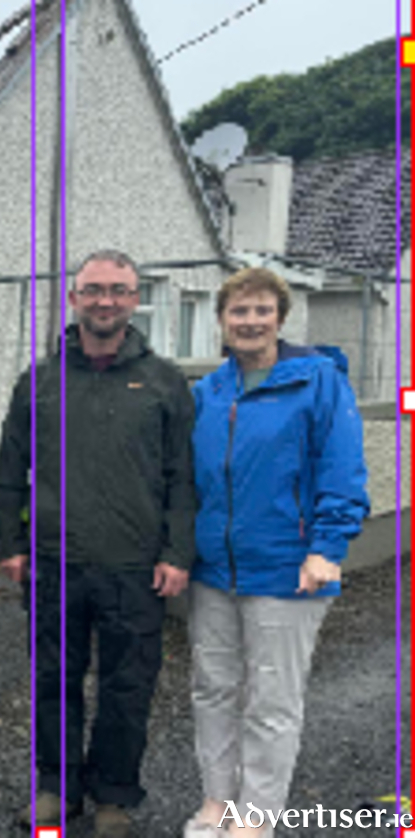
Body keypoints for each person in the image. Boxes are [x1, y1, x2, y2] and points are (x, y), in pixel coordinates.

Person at [0, 249, 195, 838]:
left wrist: (177, 552)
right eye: (94, 289)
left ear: (135, 301)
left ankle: (114, 794)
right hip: (55, 565)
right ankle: (58, 788)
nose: (105, 300)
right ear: (75, 298)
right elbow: (11, 470)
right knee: (54, 680)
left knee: (127, 687)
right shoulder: (39, 381)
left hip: (136, 567)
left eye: (119, 290)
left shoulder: (163, 383)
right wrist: (9, 542)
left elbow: (184, 477)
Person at [184, 267, 369, 838]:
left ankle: (255, 816)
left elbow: (342, 471)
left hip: (290, 570)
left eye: (262, 310)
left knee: (271, 700)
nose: (250, 321)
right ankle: (217, 799)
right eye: (238, 311)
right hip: (213, 571)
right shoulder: (208, 393)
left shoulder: (318, 382)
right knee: (212, 689)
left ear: (280, 318)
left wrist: (327, 547)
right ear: (221, 320)